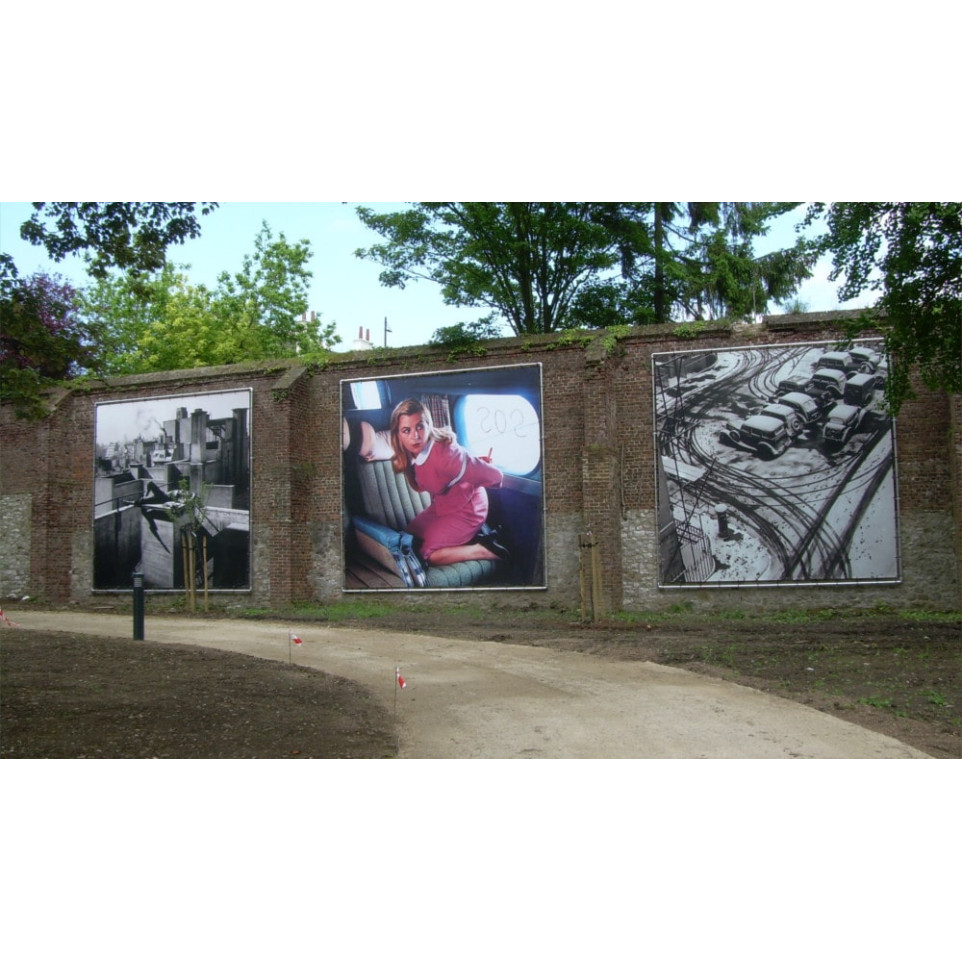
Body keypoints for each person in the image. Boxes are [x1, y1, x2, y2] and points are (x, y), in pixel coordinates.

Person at [389, 397, 507, 566]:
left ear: (429, 426)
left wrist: (475, 469)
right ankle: (465, 538)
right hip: (444, 505)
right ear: (398, 435)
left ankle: (482, 548)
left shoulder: (445, 455)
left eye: (420, 427)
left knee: (426, 554)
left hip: (468, 508)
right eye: (406, 430)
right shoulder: (409, 454)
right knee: (408, 538)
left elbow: (496, 476)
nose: (415, 436)